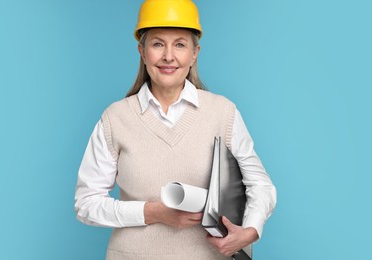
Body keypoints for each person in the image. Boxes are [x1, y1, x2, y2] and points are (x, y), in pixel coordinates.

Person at [74, 0, 276, 259]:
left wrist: (250, 230)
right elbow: (86, 204)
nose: (168, 56)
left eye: (180, 44)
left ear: (194, 53)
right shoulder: (116, 118)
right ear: (142, 51)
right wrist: (152, 213)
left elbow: (260, 185)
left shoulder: (223, 112)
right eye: (158, 44)